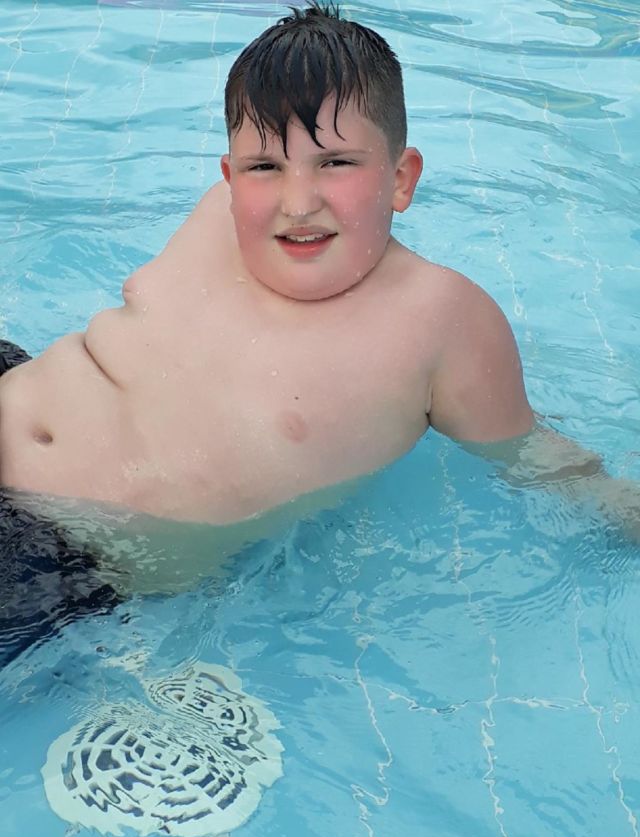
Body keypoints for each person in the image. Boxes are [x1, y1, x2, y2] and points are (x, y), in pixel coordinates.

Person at [0, 3, 637, 611]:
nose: (298, 202)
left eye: (334, 163)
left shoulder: (441, 321)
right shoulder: (221, 218)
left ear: (401, 178)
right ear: (229, 177)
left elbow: (537, 461)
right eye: (264, 167)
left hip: (64, 552)